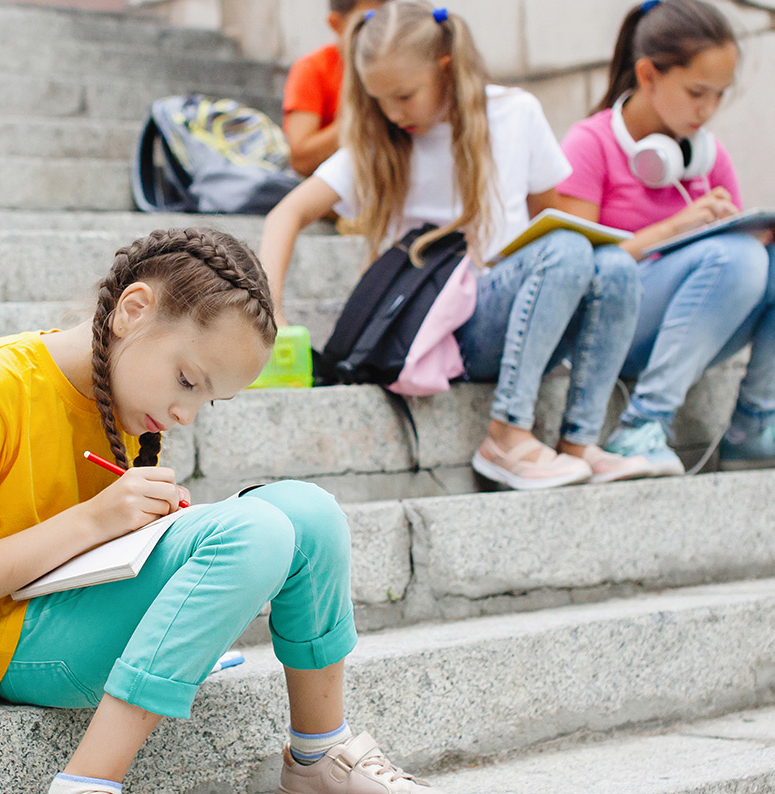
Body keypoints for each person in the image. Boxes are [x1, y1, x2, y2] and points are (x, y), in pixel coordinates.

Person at [0, 226, 463, 794]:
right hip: (15, 644)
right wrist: (97, 518)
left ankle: (318, 753)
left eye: (207, 399)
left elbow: (106, 547)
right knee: (252, 531)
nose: (185, 413)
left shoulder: (132, 406)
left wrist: (148, 528)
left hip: (90, 608)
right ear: (132, 310)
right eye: (188, 380)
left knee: (309, 512)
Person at [261, 0, 650, 490]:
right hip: (437, 329)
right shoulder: (381, 138)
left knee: (612, 264)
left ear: (444, 66)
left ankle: (579, 443)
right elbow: (286, 213)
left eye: (404, 95)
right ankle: (507, 437)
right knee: (570, 251)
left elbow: (554, 222)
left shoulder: (515, 113)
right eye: (378, 99)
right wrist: (271, 311)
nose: (392, 112)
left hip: (517, 311)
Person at [556, 0, 775, 473]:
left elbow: (741, 267)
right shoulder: (589, 145)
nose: (709, 109)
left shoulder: (707, 157)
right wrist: (678, 226)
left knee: (755, 257)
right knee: (734, 258)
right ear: (649, 75)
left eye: (719, 95)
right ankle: (640, 425)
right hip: (601, 333)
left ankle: (754, 422)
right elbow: (571, 271)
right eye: (698, 92)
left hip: (689, 327)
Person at [282, 0, 388, 176]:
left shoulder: (397, 63)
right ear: (335, 23)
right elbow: (301, 160)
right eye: (369, 21)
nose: (382, 31)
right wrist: (361, 115)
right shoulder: (312, 68)